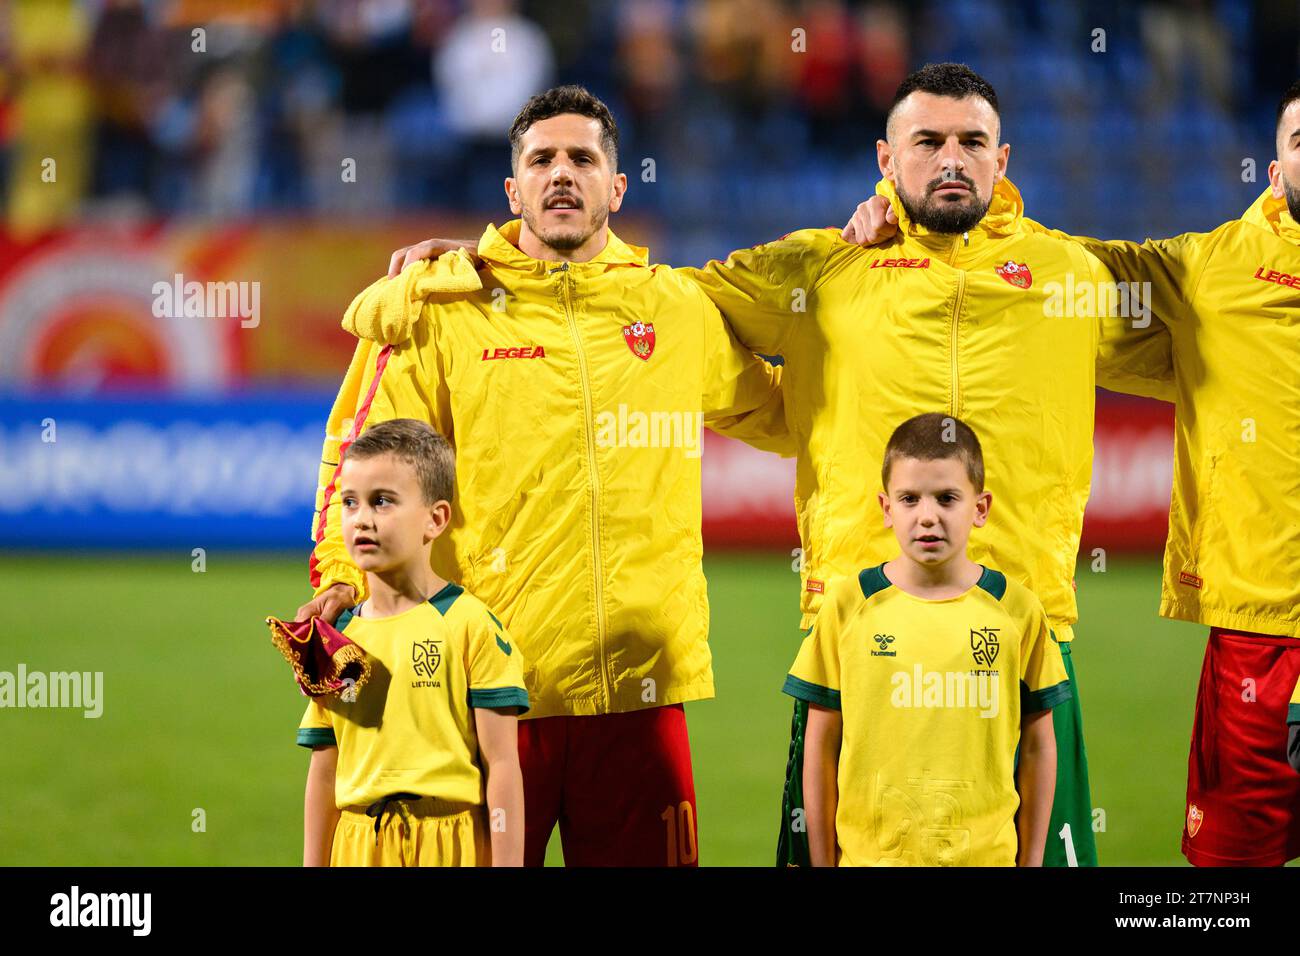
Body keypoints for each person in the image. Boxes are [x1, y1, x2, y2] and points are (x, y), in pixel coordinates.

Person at [372, 64, 1171, 867]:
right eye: (927, 141)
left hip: (1026, 628)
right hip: (860, 628)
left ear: (1005, 160)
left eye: (973, 142)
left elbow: (1213, 315)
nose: (951, 159)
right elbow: (648, 303)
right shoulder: (818, 272)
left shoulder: (1075, 278)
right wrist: (506, 266)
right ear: (886, 162)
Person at [299, 85, 791, 867]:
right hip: (484, 689)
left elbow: (790, 415)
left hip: (638, 687)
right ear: (513, 188)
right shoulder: (445, 309)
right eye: (542, 160)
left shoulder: (675, 310)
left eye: (583, 159)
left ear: (617, 186)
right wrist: (339, 578)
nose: (562, 174)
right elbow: (363, 455)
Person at [843, 77, 1300, 868]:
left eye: (968, 145)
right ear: (1272, 167)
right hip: (1264, 628)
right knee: (1233, 875)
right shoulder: (1208, 276)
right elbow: (1022, 264)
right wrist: (904, 215)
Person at [790, 414, 1066, 866]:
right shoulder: (846, 606)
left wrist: (1031, 861)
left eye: (947, 498)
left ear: (980, 508)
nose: (927, 516)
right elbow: (820, 743)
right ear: (886, 508)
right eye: (910, 499)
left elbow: (1038, 744)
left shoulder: (1019, 611)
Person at [299, 418, 527, 867]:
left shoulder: (470, 624)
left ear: (435, 519)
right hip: (358, 847)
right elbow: (324, 773)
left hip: (450, 843)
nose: (362, 519)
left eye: (382, 502)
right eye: (350, 502)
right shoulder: (335, 640)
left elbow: (501, 766)